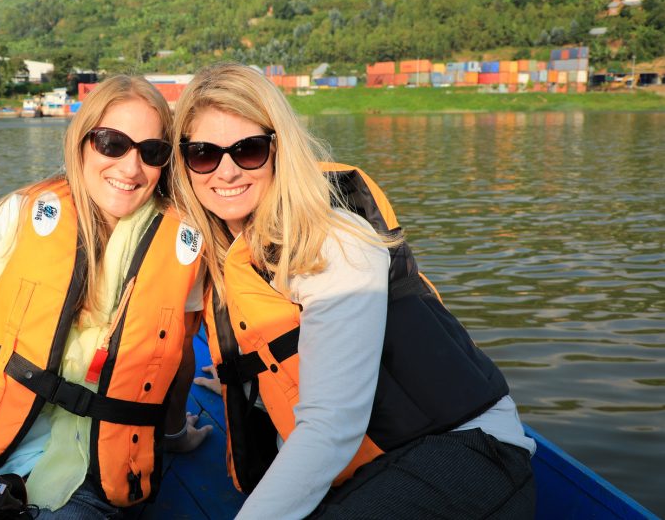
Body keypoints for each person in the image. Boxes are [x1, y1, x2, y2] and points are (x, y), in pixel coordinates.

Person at [168, 63, 536, 519]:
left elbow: (331, 425)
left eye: (248, 150)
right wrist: (245, 384)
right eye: (204, 153)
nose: (225, 171)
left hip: (464, 454)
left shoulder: (333, 241)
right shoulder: (227, 252)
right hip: (370, 471)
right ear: (182, 162)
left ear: (280, 151)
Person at [0, 74, 211, 520]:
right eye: (111, 143)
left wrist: (172, 436)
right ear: (82, 142)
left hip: (93, 475)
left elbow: (177, 362)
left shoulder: (182, 247)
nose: (130, 168)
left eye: (151, 152)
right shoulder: (20, 215)